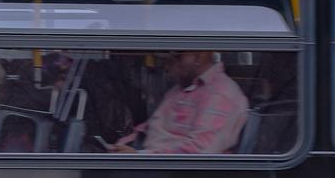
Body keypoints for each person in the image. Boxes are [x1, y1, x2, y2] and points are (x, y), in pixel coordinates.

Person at [104, 51, 249, 155]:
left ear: (199, 56)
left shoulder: (220, 94)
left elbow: (200, 151)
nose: (168, 66)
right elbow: (151, 127)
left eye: (177, 57)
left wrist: (140, 156)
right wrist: (122, 145)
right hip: (154, 168)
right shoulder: (181, 89)